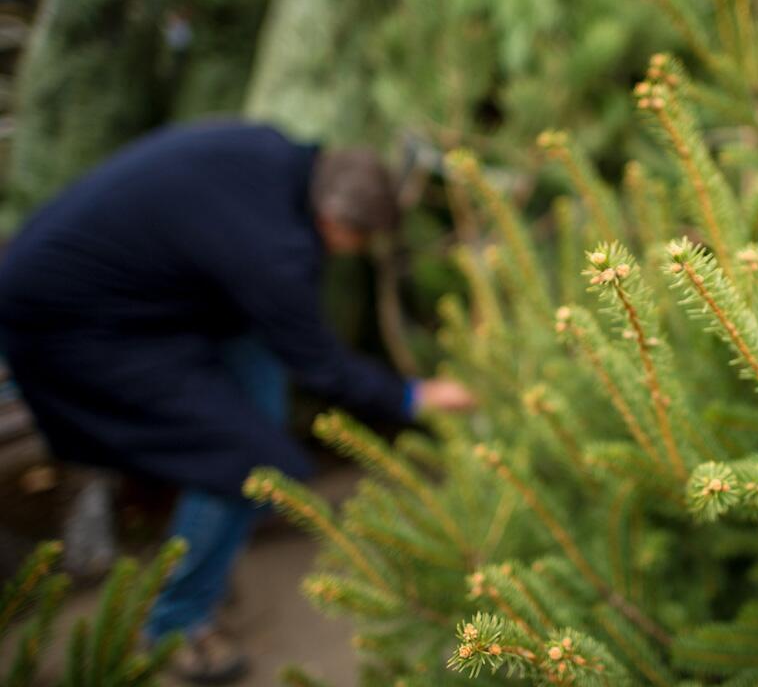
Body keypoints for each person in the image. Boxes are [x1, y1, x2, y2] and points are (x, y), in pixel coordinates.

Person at [0, 122, 473, 684]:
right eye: (356, 243)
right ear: (335, 222)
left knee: (255, 410)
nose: (350, 255)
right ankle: (178, 623)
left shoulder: (275, 156)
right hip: (70, 323)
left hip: (114, 287)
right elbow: (320, 364)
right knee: (243, 461)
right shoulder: (275, 250)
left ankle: (216, 538)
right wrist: (413, 395)